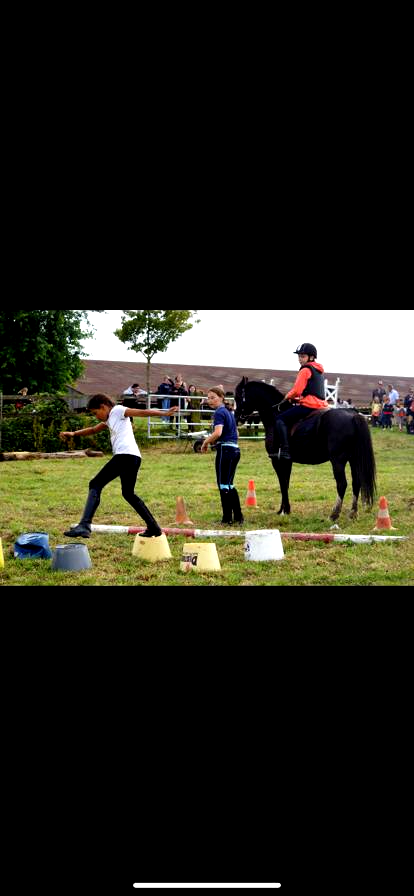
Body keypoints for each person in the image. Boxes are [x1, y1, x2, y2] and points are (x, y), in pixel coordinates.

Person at [59, 393, 179, 538]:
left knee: (95, 484)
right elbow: (93, 430)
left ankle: (84, 524)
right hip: (134, 457)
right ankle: (154, 528)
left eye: (96, 413)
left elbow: (141, 412)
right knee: (128, 494)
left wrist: (164, 413)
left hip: (124, 456)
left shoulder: (117, 410)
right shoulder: (110, 418)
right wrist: (73, 433)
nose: (96, 417)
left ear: (103, 407)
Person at [275, 343, 329, 460]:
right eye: (299, 356)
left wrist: (286, 397)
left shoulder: (305, 370)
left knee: (280, 419)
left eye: (303, 356)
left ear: (311, 357)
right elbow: (310, 391)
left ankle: (285, 451)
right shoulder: (319, 370)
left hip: (309, 405)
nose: (300, 359)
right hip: (322, 406)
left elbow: (297, 390)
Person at [200, 387, 243, 525]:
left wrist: (205, 442)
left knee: (223, 484)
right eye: (208, 398)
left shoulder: (219, 412)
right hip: (236, 450)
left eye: (213, 397)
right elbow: (237, 434)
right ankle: (238, 517)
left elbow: (218, 433)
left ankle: (226, 519)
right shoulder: (229, 412)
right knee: (230, 484)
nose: (210, 400)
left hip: (225, 450)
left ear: (221, 397)